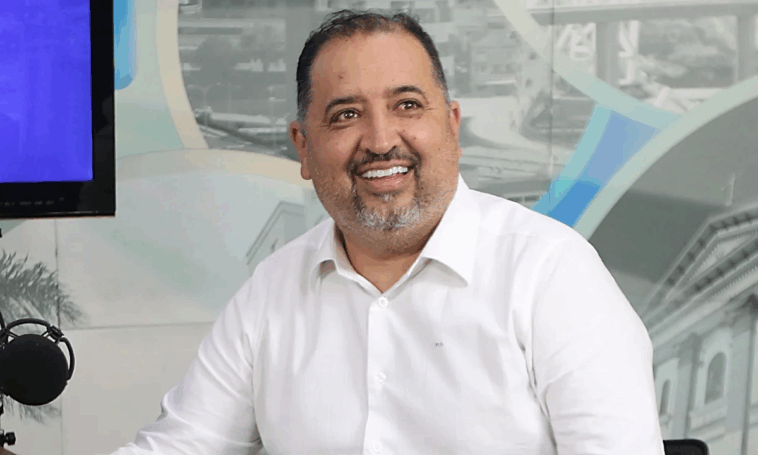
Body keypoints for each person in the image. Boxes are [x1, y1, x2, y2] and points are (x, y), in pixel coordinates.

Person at [111, 10, 664, 454]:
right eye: (346, 115)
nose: (380, 141)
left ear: (451, 126)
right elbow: (184, 444)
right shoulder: (272, 290)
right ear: (303, 147)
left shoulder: (551, 271)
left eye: (407, 105)